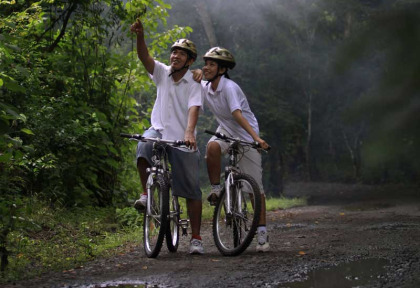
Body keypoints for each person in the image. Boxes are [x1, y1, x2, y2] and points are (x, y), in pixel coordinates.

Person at [130, 20, 204, 255]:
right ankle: (145, 194)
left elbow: (194, 108)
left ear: (190, 60)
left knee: (192, 190)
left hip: (182, 138)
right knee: (143, 144)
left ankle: (195, 238)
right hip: (159, 130)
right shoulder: (162, 73)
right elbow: (145, 58)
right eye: (174, 52)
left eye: (181, 53)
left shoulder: (194, 81)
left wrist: (189, 132)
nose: (175, 56)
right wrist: (140, 36)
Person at [199, 47, 270, 252]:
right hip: (226, 130)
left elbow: (238, 114)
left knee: (254, 189)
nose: (207, 67)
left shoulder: (229, 87)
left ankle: (262, 233)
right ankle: (215, 190)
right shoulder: (206, 87)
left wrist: (256, 139)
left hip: (247, 134)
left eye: (212, 64)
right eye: (206, 63)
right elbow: (191, 83)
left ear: (222, 69)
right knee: (212, 146)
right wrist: (195, 75)